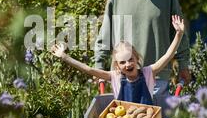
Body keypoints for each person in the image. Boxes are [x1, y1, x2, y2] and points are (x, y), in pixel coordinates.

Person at [94, 0, 191, 112]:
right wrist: (99, 65)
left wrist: (183, 64)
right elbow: (106, 34)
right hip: (123, 77)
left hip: (156, 76)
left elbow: (178, 31)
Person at [51, 15, 185, 105]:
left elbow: (168, 55)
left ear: (136, 58)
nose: (127, 64)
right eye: (122, 62)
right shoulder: (114, 76)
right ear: (117, 66)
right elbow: (89, 69)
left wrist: (179, 34)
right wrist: (64, 57)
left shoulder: (148, 72)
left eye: (130, 59)